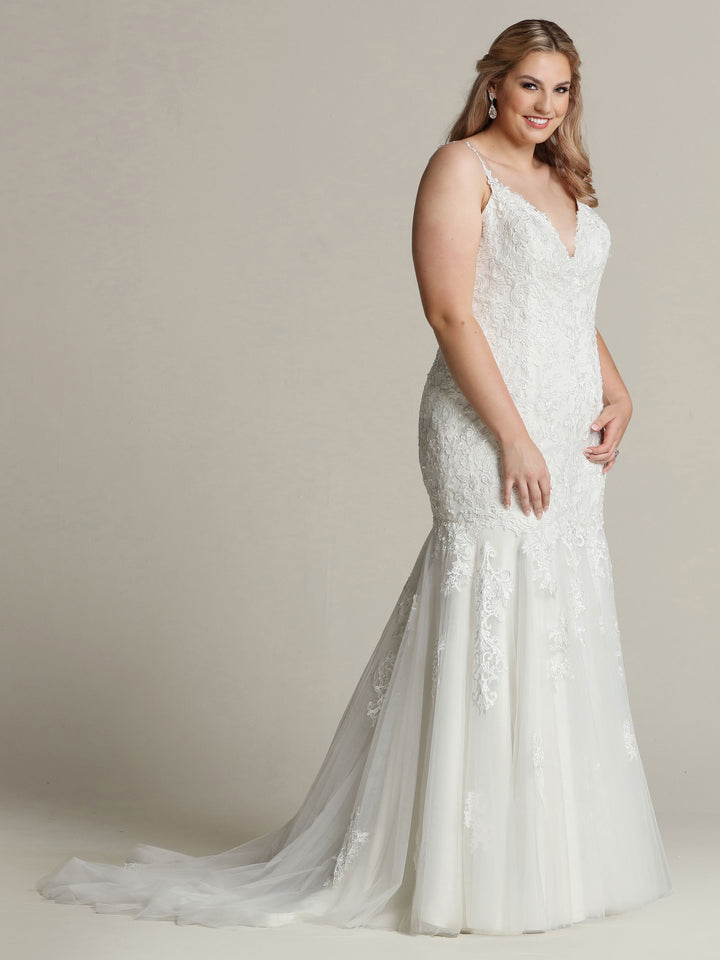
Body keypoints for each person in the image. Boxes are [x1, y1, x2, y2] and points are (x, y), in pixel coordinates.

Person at [36, 19, 673, 937]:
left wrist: (617, 388)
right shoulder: (459, 167)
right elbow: (452, 311)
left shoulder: (562, 179)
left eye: (562, 89)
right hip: (486, 425)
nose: (546, 105)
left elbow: (569, 299)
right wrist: (514, 437)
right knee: (489, 609)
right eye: (530, 85)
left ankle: (554, 858)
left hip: (567, 432)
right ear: (495, 84)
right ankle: (461, 867)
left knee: (559, 604)